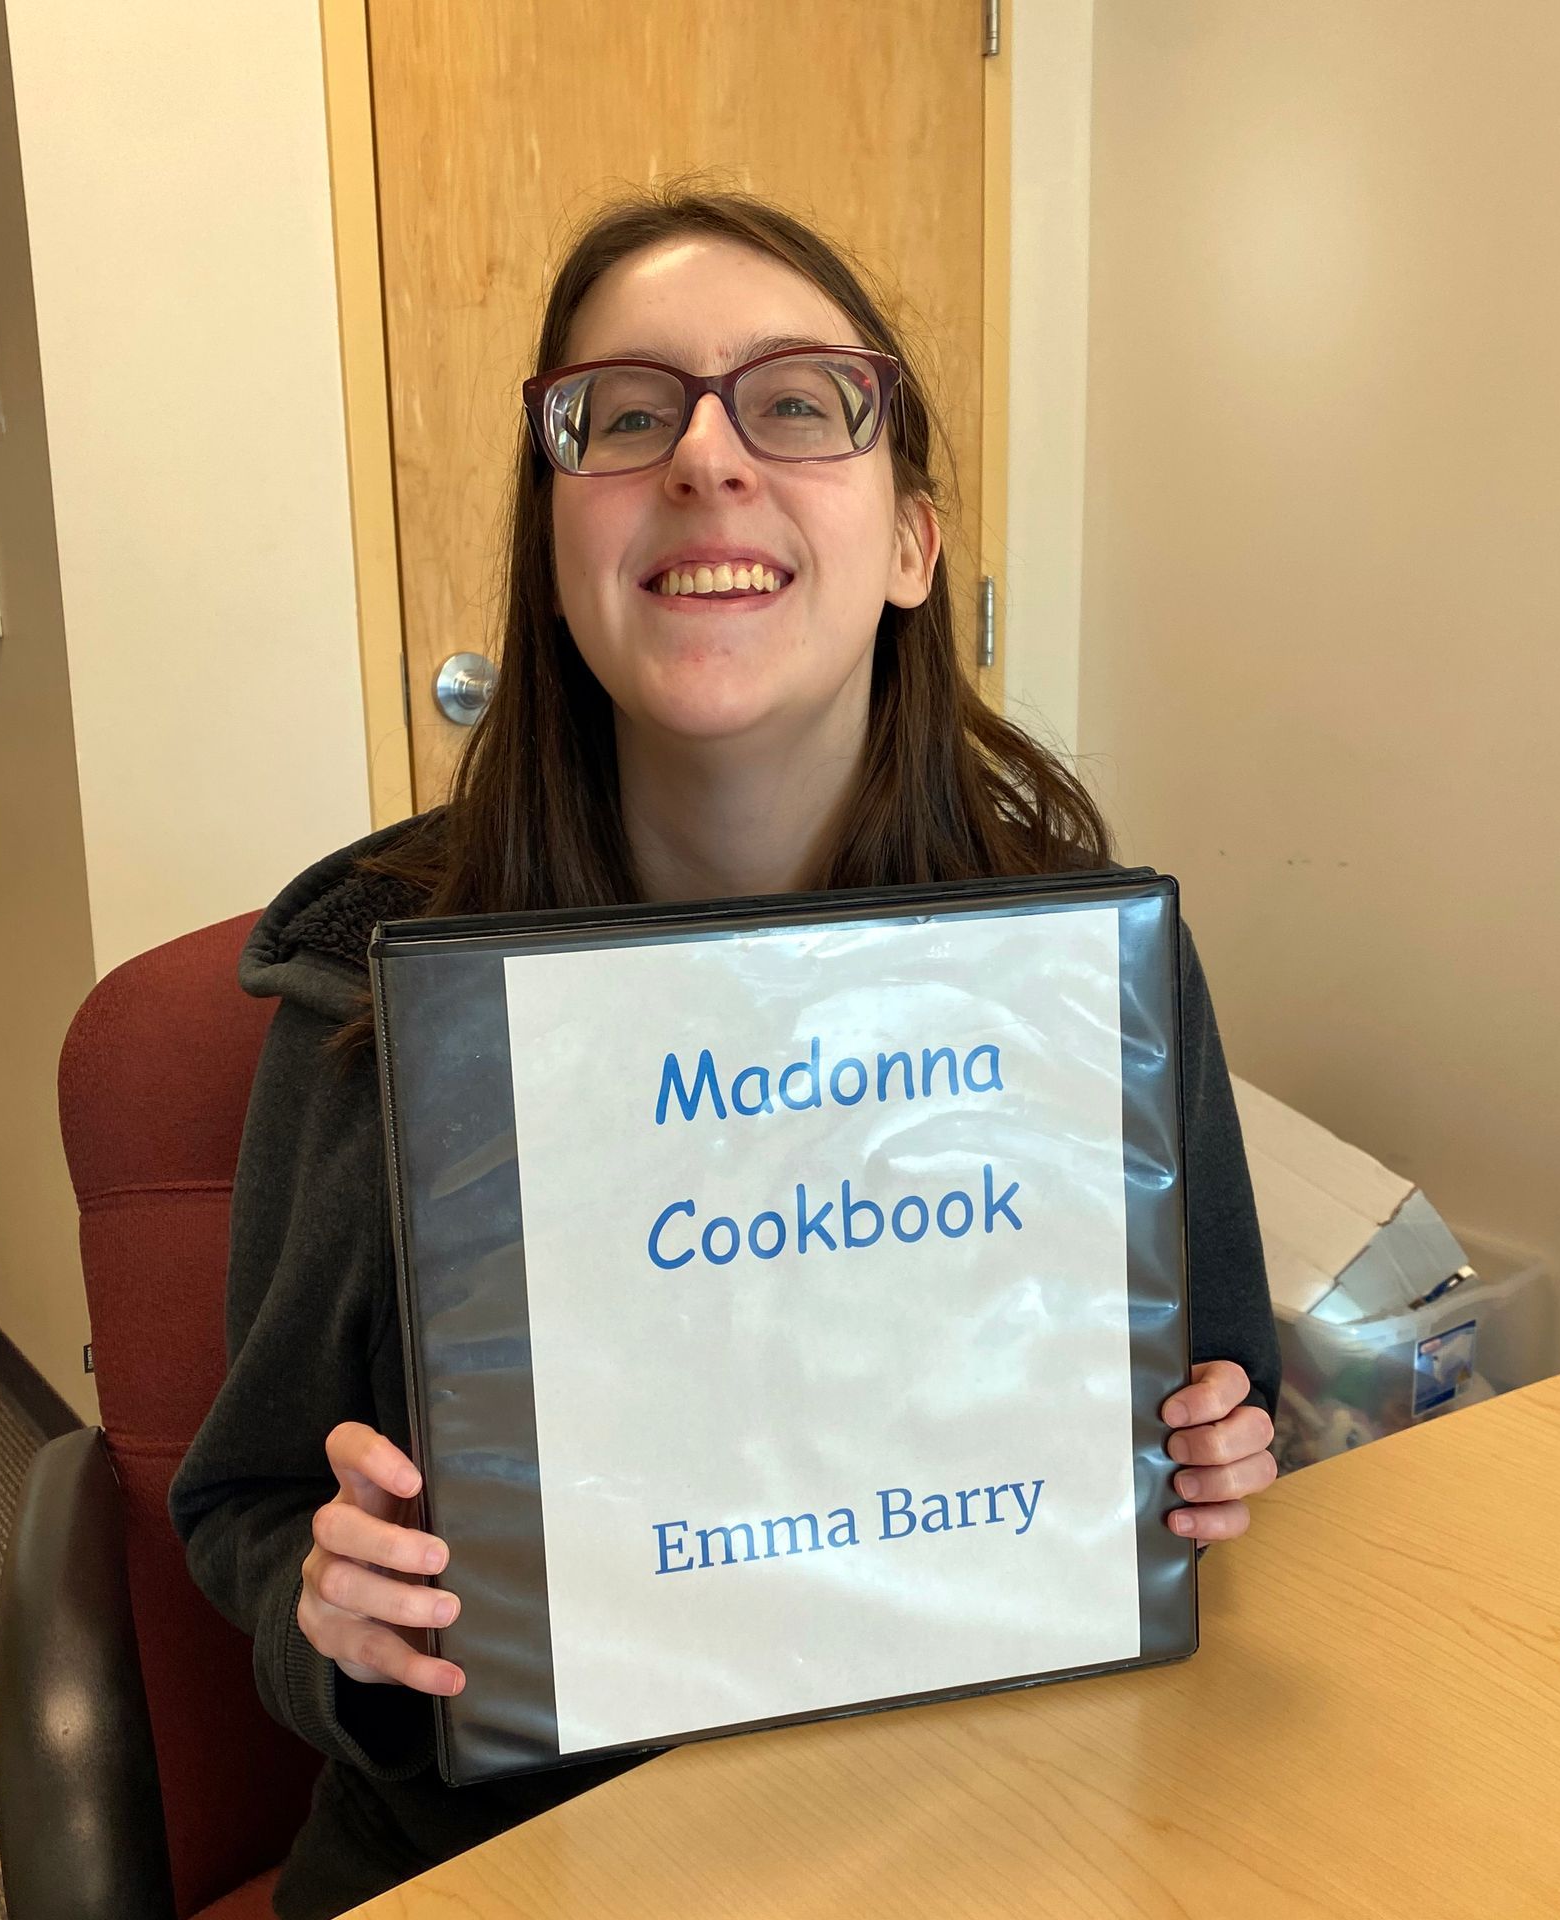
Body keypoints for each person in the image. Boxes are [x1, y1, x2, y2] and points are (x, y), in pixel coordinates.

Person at [169, 184, 1281, 1920]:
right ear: (555, 538)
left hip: (996, 1815)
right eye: (624, 415)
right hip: (523, 1861)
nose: (704, 458)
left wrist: (1217, 1448)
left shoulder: (1086, 983)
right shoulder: (374, 1007)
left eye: (796, 401)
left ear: (913, 542)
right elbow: (244, 1502)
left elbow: (1214, 1391)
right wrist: (335, 1615)